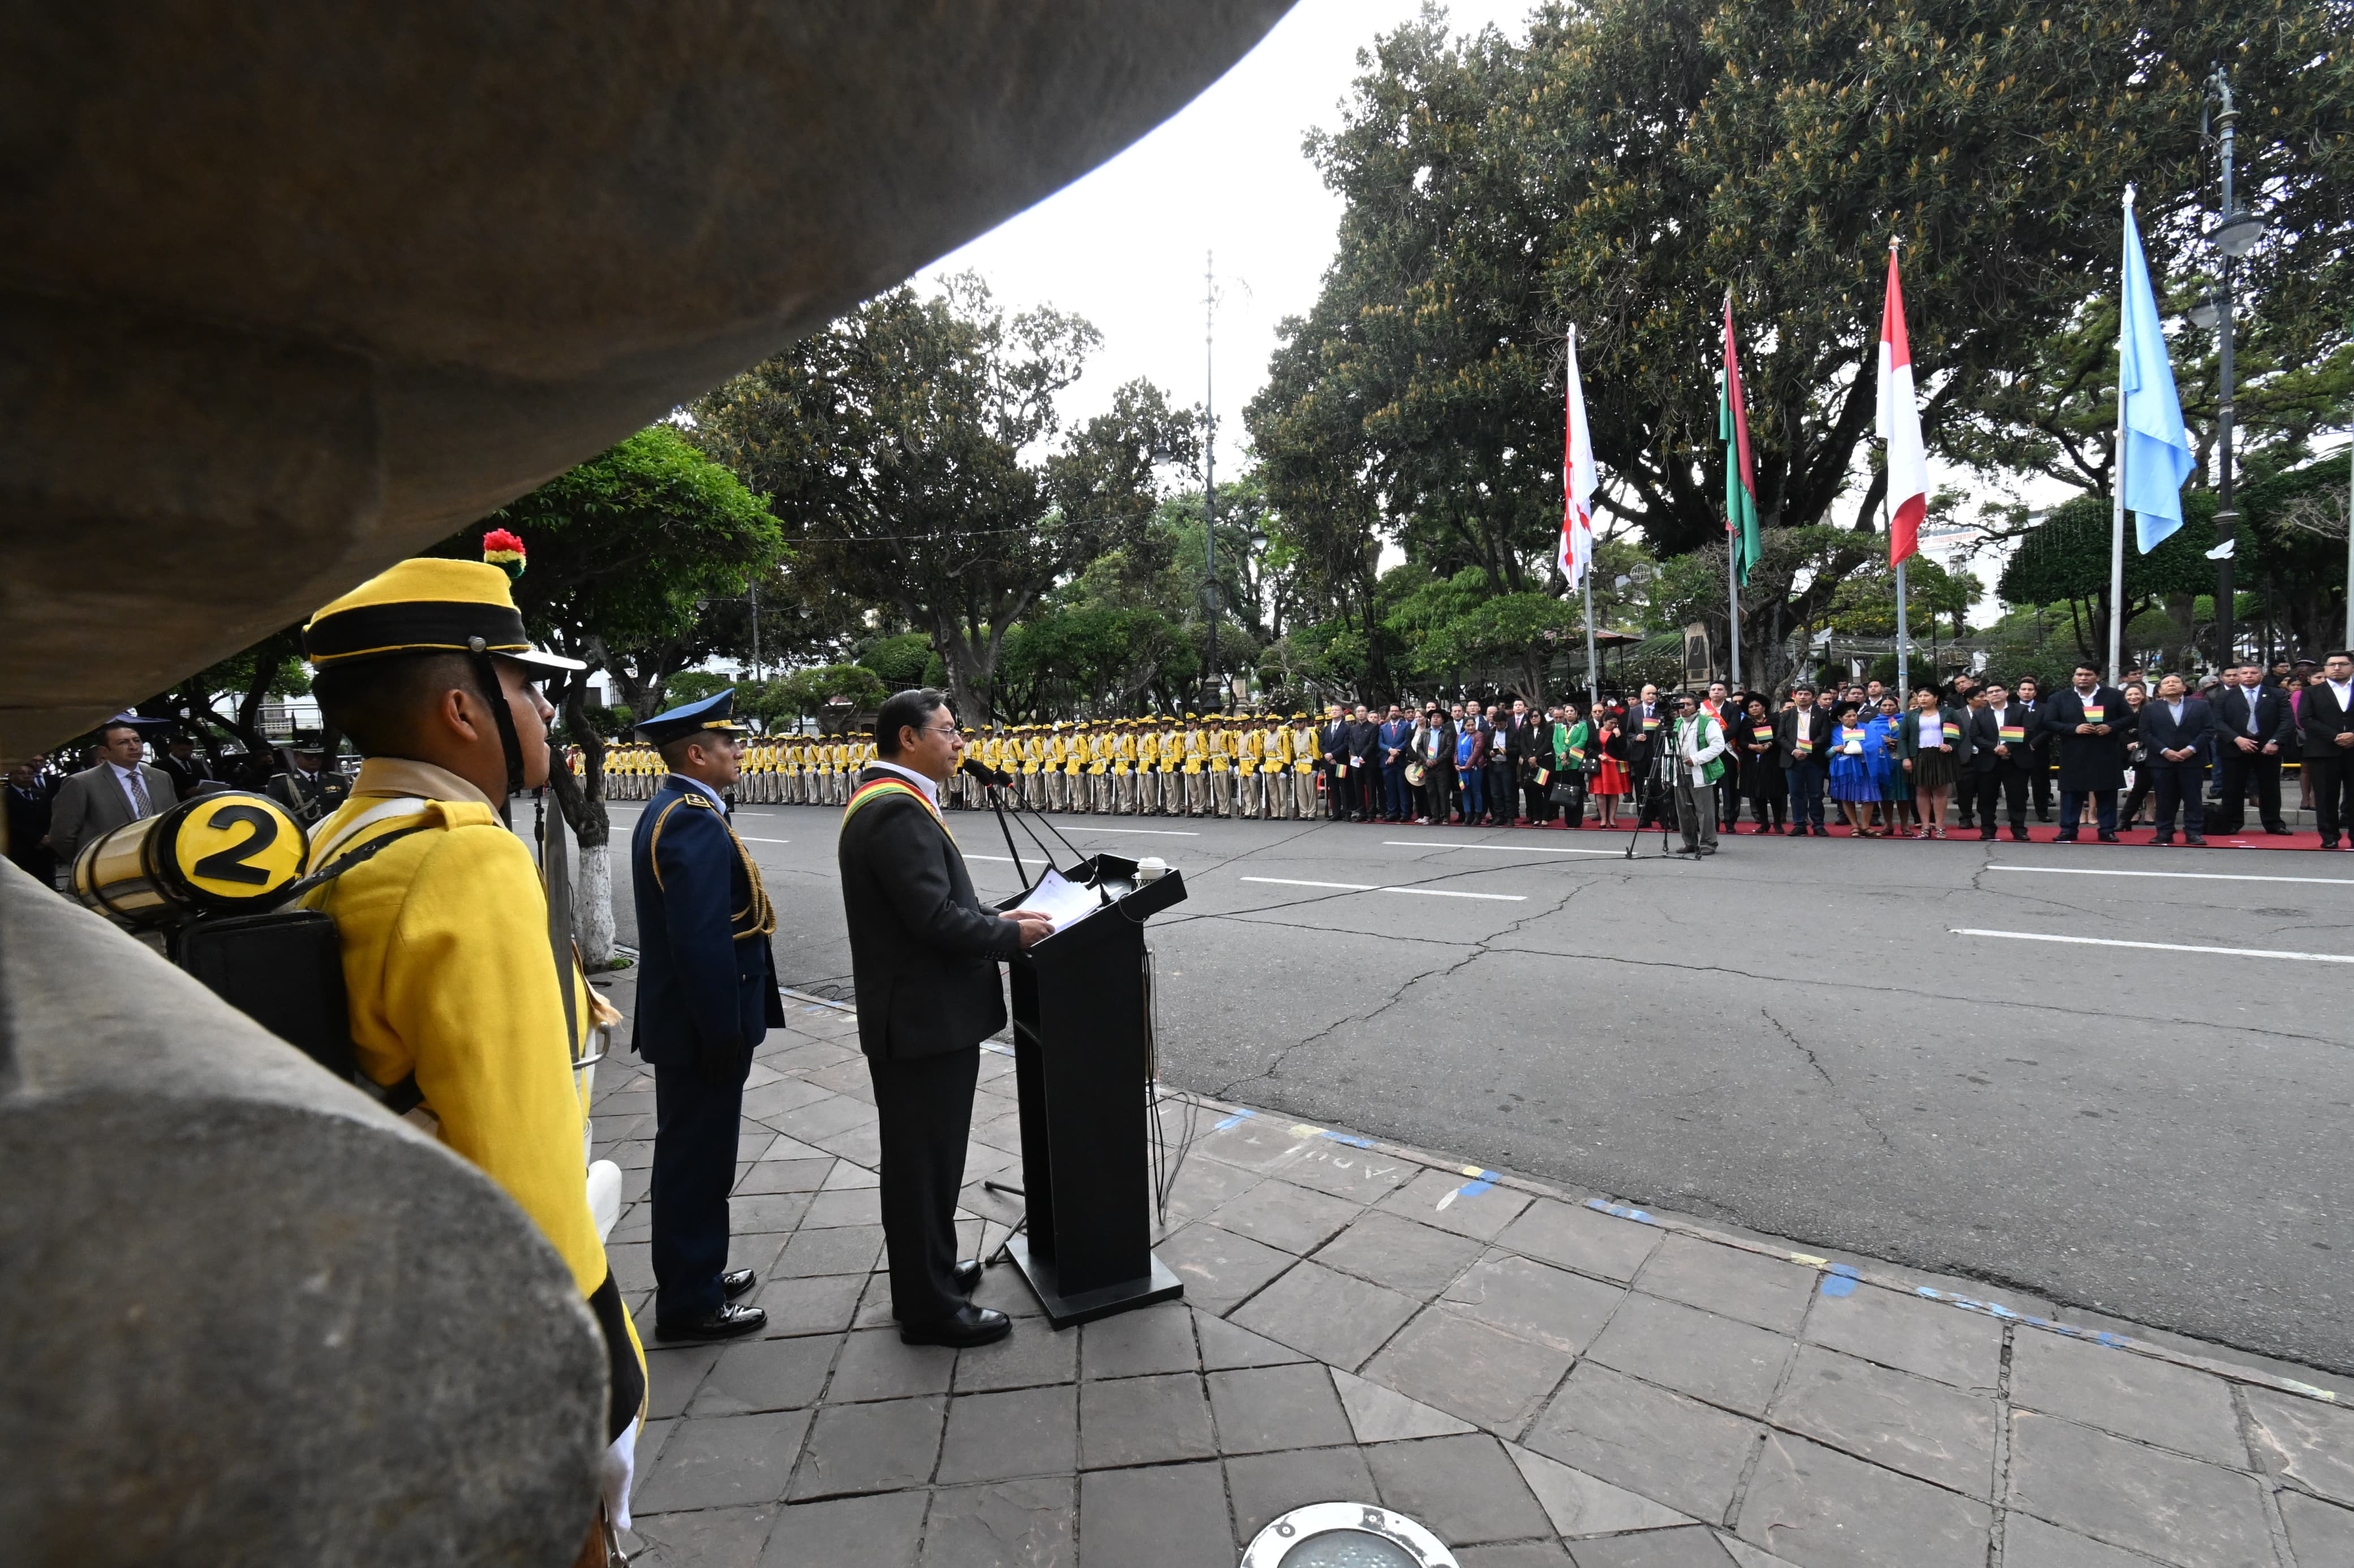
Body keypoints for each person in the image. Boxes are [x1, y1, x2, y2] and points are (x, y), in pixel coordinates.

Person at [298, 557, 644, 1553]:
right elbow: (527, 1171)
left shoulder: (345, 835)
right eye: (527, 686)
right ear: (462, 707)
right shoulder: (464, 857)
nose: (541, 708)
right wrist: (600, 1388)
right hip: (501, 1352)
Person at [838, 689, 1051, 1346]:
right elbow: (931, 919)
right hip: (922, 1021)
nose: (960, 742)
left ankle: (928, 1274)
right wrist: (1008, 937)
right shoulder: (894, 810)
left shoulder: (894, 800)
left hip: (921, 1017)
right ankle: (928, 1307)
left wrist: (999, 915)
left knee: (929, 1161)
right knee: (921, 1165)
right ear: (908, 737)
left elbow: (933, 897)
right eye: (948, 730)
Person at [628, 688, 782, 1342]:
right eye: (728, 743)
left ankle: (698, 1271)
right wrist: (721, 1031)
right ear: (696, 753)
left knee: (700, 1155)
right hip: (700, 1028)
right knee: (697, 1160)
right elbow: (700, 939)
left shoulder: (680, 808)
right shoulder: (689, 816)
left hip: (692, 1022)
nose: (739, 751)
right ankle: (690, 1301)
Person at [45, 714, 179, 872]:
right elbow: (63, 836)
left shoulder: (161, 777)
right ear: (104, 751)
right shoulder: (81, 783)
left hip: (160, 867)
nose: (133, 746)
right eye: (123, 742)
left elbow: (174, 820)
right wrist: (88, 864)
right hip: (107, 871)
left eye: (136, 740)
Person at [2044, 663, 2130, 843]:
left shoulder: (2113, 696)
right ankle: (2068, 829)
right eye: (2079, 674)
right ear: (2073, 677)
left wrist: (2110, 727)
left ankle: (2107, 830)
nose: (2083, 678)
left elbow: (2130, 717)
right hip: (2074, 751)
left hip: (2105, 750)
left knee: (2107, 791)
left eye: (2088, 674)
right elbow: (2049, 722)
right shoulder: (2059, 698)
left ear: (2097, 677)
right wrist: (2074, 728)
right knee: (2071, 792)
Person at [2210, 662, 2294, 835]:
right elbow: (2217, 721)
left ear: (2261, 675)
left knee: (2269, 788)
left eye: (2254, 672)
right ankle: (2233, 822)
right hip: (2235, 747)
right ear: (2239, 676)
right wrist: (2237, 739)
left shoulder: (2276, 694)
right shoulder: (2225, 696)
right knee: (2233, 788)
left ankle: (2274, 823)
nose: (2249, 676)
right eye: (2245, 673)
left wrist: (2275, 741)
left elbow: (2287, 720)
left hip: (2267, 747)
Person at [2136, 673, 2214, 845]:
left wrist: (2190, 750)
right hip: (2162, 761)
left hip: (2192, 760)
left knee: (2193, 798)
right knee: (2164, 798)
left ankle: (2193, 832)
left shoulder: (2201, 706)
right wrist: (2165, 751)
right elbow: (2145, 733)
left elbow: (2208, 730)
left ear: (2184, 687)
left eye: (2176, 682)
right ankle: (2164, 832)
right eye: (2167, 683)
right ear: (2160, 690)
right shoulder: (2150, 708)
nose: (2171, 685)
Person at [1895, 686, 1969, 839]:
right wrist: (1906, 758)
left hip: (1942, 754)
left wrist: (1951, 746)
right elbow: (1903, 738)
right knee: (1921, 791)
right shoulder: (1911, 715)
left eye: (1926, 695)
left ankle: (1940, 826)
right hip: (1919, 754)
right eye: (1920, 696)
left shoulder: (1948, 713)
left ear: (1935, 698)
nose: (1922, 698)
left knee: (1940, 791)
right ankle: (1925, 827)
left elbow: (1961, 732)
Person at [1970, 681, 2035, 842]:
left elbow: (2028, 731)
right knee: (1987, 798)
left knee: (2017, 797)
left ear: (2006, 692)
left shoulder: (2021, 710)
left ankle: (2019, 829)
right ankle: (1988, 830)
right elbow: (1975, 736)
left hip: (2015, 759)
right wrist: (1995, 748)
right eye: (1990, 692)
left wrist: (2008, 747)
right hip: (1989, 760)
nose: (1994, 694)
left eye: (1997, 691)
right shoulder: (1980, 714)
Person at [2302, 651, 2354, 848]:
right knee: (2325, 797)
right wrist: (2334, 736)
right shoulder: (2311, 692)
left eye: (2343, 664)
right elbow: (2306, 719)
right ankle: (2329, 836)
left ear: (2352, 667)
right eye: (2332, 664)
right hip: (2323, 751)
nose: (2337, 668)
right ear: (2325, 668)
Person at [1668, 693, 1728, 855]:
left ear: (1696, 706)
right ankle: (1690, 842)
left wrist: (1696, 759)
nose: (1685, 708)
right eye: (1681, 705)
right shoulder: (1677, 723)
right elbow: (1670, 748)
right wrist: (1667, 773)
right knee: (1684, 811)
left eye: (1688, 704)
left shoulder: (1707, 722)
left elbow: (1718, 746)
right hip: (1680, 773)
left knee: (1704, 811)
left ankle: (1709, 843)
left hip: (1700, 772)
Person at [1776, 685, 1830, 836]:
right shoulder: (1788, 714)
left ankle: (1818, 824)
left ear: (1813, 697)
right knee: (1795, 793)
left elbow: (1825, 736)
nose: (1803, 697)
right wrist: (1794, 751)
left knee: (1816, 794)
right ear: (1796, 696)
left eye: (1807, 694)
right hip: (1793, 759)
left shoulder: (1823, 714)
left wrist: (1809, 749)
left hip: (1814, 759)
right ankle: (1799, 823)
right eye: (1800, 694)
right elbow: (1780, 736)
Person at [1827, 702, 1884, 836]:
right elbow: (1827, 753)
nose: (1853, 718)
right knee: (1846, 797)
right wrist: (1835, 749)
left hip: (1865, 767)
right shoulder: (1835, 732)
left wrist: (1861, 748)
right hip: (1844, 769)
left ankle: (1865, 826)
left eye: (1854, 715)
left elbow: (1875, 743)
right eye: (1848, 716)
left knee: (1869, 797)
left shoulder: (1867, 728)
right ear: (1841, 718)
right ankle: (1854, 826)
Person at [5, 755, 58, 888]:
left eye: (30, 774)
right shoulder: (5, 797)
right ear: (11, 776)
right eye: (21, 773)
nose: (27, 777)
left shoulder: (42, 795)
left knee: (47, 886)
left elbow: (51, 817)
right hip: (20, 850)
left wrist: (49, 836)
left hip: (45, 851)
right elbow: (11, 823)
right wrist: (37, 839)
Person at [1736, 695, 1785, 833]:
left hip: (1772, 760)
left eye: (1757, 706)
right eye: (1751, 707)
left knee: (1775, 793)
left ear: (1763, 707)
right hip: (1752, 761)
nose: (1754, 708)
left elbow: (1780, 736)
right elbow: (1741, 741)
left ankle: (1778, 823)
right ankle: (1764, 823)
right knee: (1757, 794)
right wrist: (1753, 747)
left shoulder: (1774, 720)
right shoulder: (1745, 723)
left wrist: (1769, 744)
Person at [2014, 676, 2054, 821]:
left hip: (2039, 751)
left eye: (2030, 690)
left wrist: (2034, 743)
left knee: (2040, 783)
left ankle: (2043, 813)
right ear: (2018, 692)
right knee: (2018, 784)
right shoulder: (2011, 708)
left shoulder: (2045, 708)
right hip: (2017, 751)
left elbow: (2049, 728)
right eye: (2023, 690)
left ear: (2035, 693)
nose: (2027, 692)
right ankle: (2018, 813)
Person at [2117, 685, 2155, 828]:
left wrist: (2139, 743)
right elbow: (2118, 729)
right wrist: (2129, 743)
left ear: (2143, 695)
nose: (2133, 697)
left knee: (2149, 786)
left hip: (2145, 750)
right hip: (2125, 751)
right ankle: (2132, 814)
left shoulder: (2149, 710)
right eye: (2129, 694)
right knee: (2130, 785)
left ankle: (2150, 812)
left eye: (2136, 694)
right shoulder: (2120, 712)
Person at [155, 732, 216, 798]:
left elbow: (206, 781)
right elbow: (159, 790)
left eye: (190, 750)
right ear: (172, 748)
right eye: (183, 750)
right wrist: (185, 793)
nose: (187, 753)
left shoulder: (197, 764)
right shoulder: (159, 766)